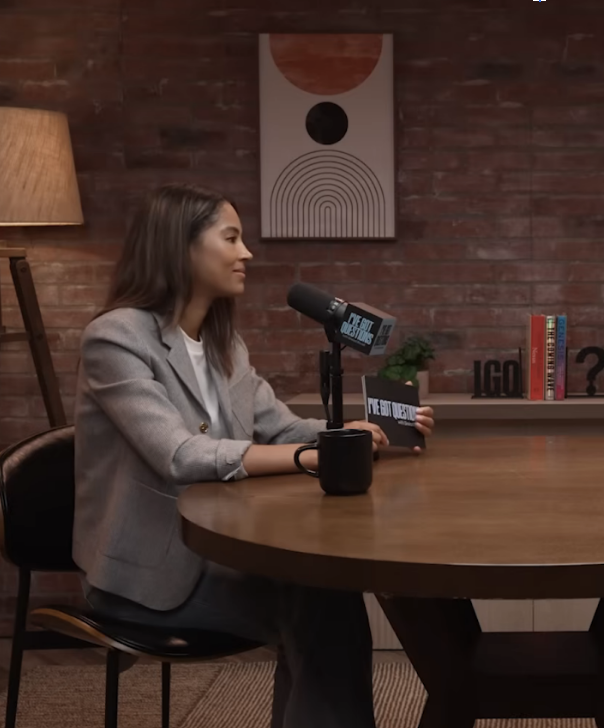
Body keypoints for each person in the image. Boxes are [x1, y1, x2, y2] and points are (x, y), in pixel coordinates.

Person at [72, 183, 436, 728]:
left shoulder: (224, 345)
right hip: (149, 579)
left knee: (324, 603)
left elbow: (282, 426)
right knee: (321, 614)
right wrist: (304, 460)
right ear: (183, 247)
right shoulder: (115, 340)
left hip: (222, 557)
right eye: (232, 238)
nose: (247, 254)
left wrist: (357, 433)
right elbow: (179, 454)